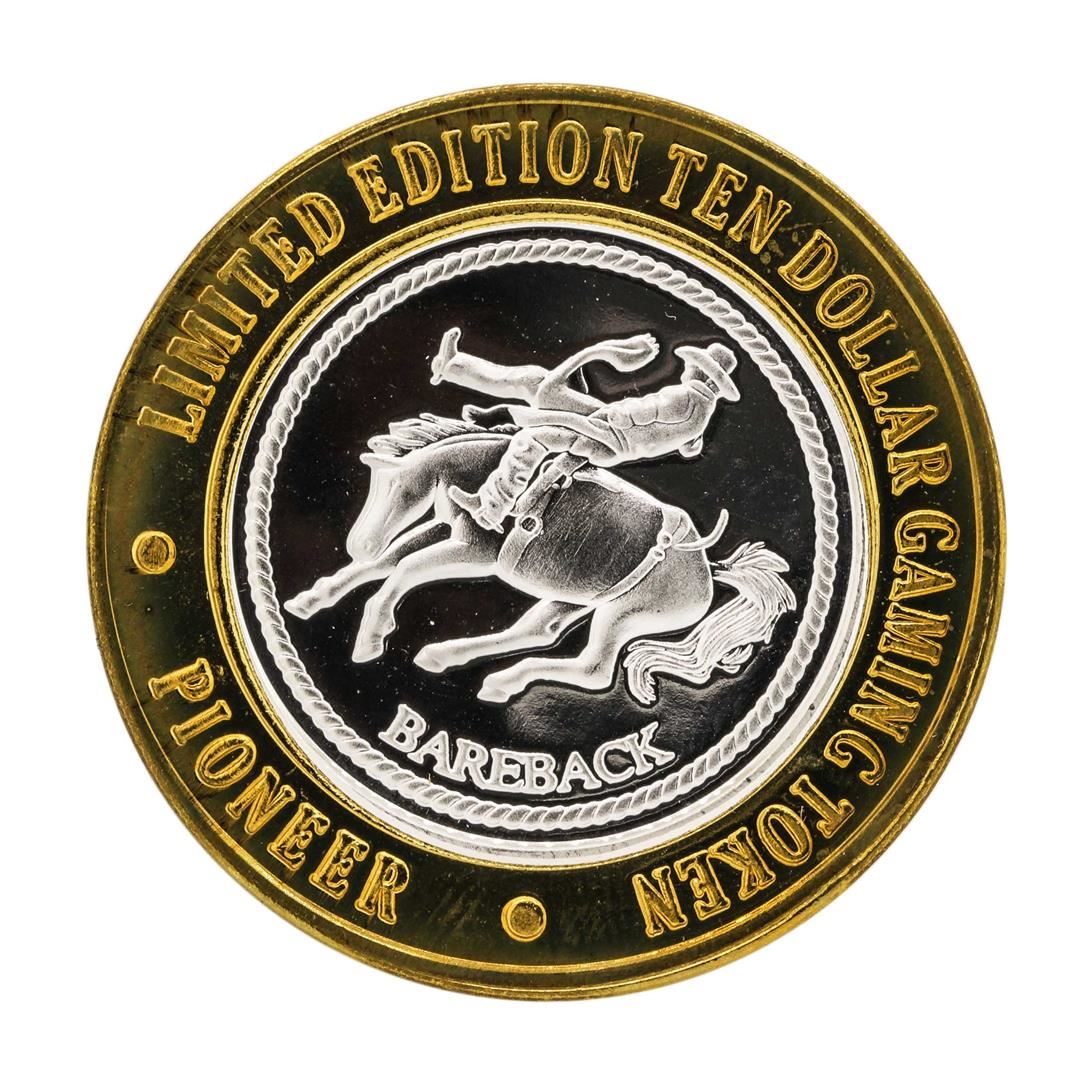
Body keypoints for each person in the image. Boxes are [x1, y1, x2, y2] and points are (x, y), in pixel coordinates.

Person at [429, 327, 740, 533]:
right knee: (537, 383)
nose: (687, 368)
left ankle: (491, 508)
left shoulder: (683, 397)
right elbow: (691, 448)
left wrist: (590, 415)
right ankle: (454, 366)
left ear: (703, 375)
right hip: (613, 438)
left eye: (695, 365)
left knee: (532, 436)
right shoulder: (703, 413)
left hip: (607, 434)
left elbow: (634, 415)